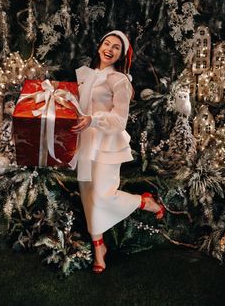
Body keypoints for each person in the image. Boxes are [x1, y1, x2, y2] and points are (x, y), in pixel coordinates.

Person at [71, 30, 165, 273]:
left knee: (103, 195)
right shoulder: (86, 75)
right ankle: (98, 248)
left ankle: (143, 201)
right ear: (100, 46)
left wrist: (93, 119)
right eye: (106, 43)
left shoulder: (119, 81)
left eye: (116, 47)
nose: (109, 49)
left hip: (107, 143)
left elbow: (119, 120)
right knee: (88, 196)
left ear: (121, 55)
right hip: (84, 143)